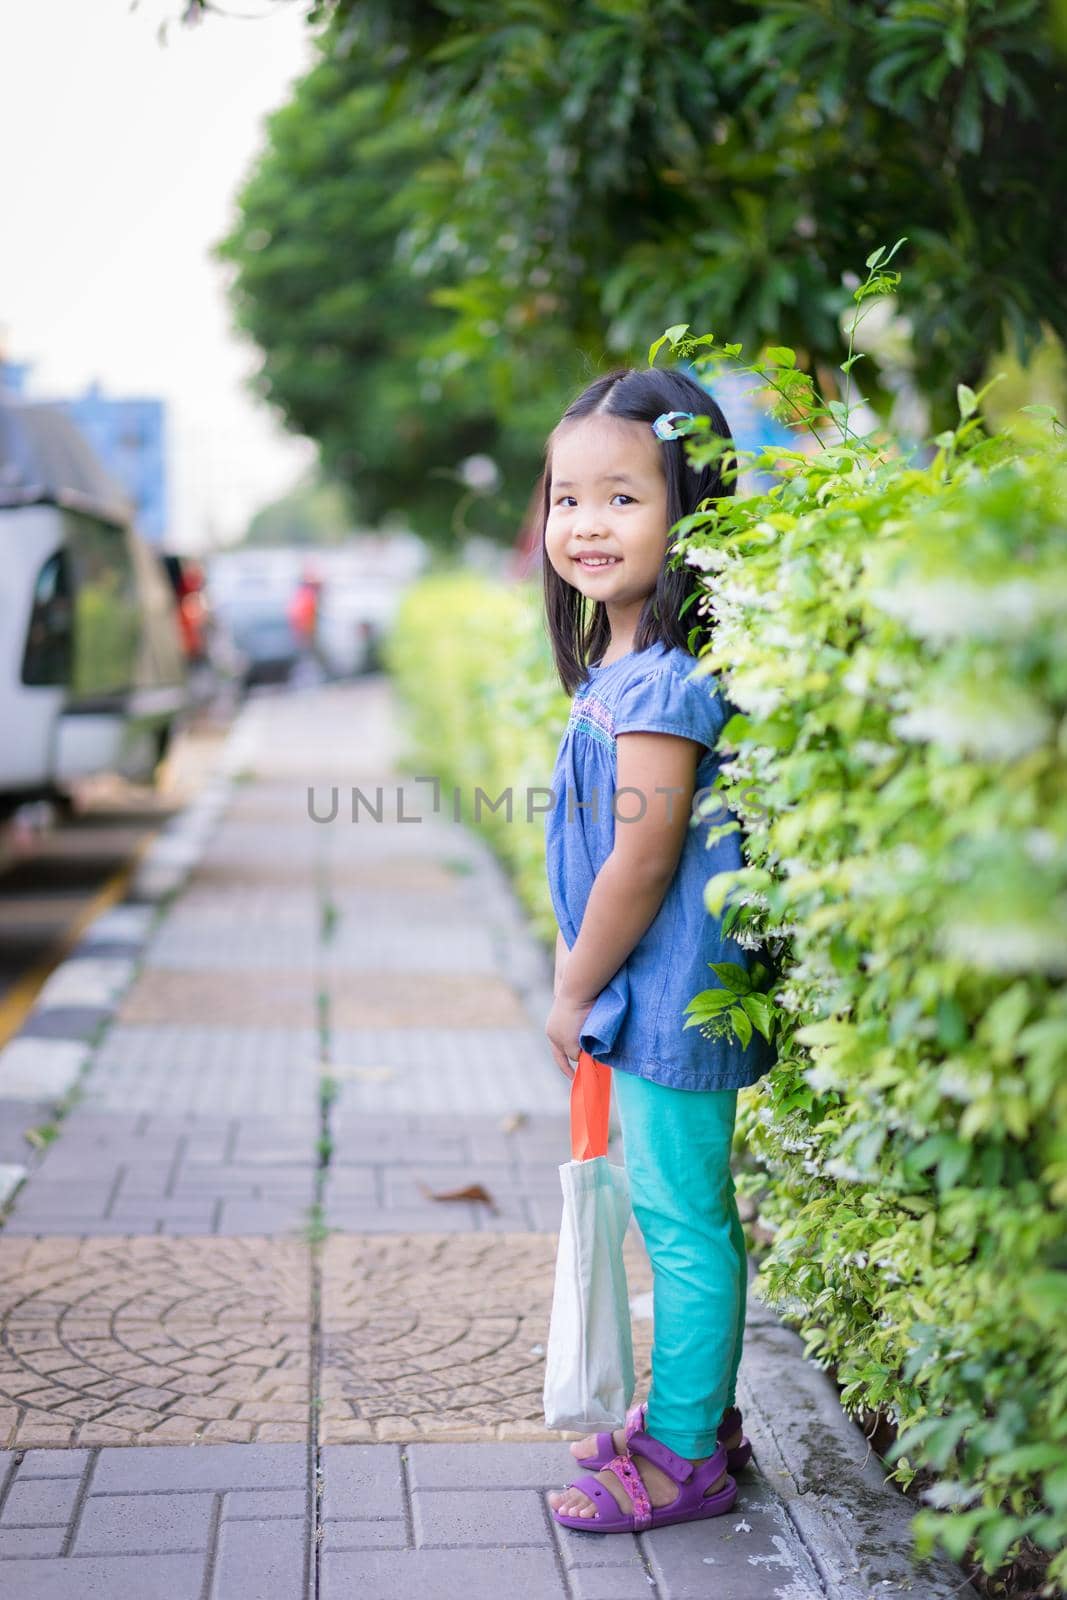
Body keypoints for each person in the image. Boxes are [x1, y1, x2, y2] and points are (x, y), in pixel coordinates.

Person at [540, 366, 778, 1535]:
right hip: (647, 997)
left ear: (694, 510)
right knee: (677, 1215)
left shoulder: (665, 682)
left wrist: (571, 983)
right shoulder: (621, 673)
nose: (585, 523)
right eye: (565, 498)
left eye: (622, 498)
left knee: (682, 1227)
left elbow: (638, 862)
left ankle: (686, 1451)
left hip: (668, 995)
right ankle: (697, 1412)